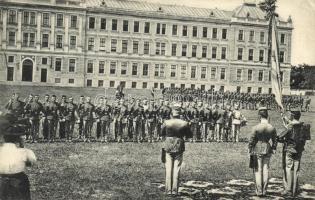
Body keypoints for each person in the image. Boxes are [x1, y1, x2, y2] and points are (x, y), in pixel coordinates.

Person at [0, 113, 37, 200]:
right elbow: (31, 162)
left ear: (4, 138)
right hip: (19, 181)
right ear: (18, 139)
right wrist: (21, 146)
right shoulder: (25, 152)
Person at [161, 104, 193, 196]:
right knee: (177, 168)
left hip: (168, 145)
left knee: (168, 168)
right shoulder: (184, 123)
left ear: (172, 113)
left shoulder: (166, 122)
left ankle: (168, 190)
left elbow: (162, 133)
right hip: (179, 145)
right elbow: (189, 135)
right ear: (179, 114)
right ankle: (175, 190)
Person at [278, 109, 309, 197]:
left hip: (290, 150)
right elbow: (305, 138)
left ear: (292, 116)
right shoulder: (304, 126)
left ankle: (288, 189)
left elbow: (279, 137)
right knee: (296, 170)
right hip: (299, 151)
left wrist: (285, 139)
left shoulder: (290, 127)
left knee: (288, 169)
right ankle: (295, 189)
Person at [248, 107, 277, 197]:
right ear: (267, 116)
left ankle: (259, 190)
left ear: (259, 116)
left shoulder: (256, 127)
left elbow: (251, 141)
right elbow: (275, 140)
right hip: (267, 148)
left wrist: (249, 149)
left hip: (258, 148)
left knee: (258, 170)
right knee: (266, 169)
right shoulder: (271, 127)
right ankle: (264, 190)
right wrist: (273, 148)